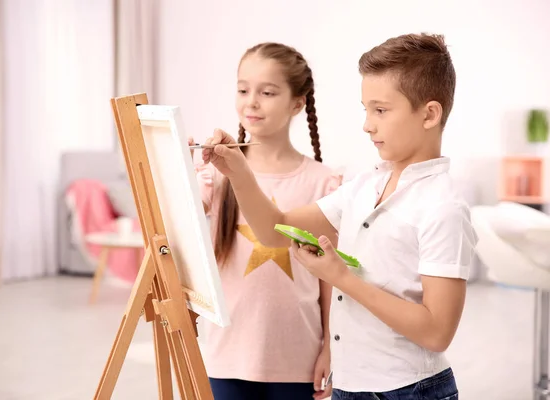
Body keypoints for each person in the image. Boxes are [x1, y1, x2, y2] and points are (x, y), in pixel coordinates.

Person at [201, 33, 478, 400]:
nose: (367, 124)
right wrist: (237, 170)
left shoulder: (443, 207)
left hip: (409, 390)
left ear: (429, 114)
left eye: (380, 110)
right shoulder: (364, 187)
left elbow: (436, 331)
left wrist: (340, 277)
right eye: (366, 109)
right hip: (352, 386)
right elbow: (273, 230)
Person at [190, 42, 341, 400]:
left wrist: (330, 348)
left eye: (267, 92)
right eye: (243, 90)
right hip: (226, 355)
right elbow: (175, 232)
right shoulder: (215, 174)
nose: (251, 102)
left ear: (297, 103)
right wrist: (177, 170)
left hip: (297, 358)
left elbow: (330, 281)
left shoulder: (325, 182)